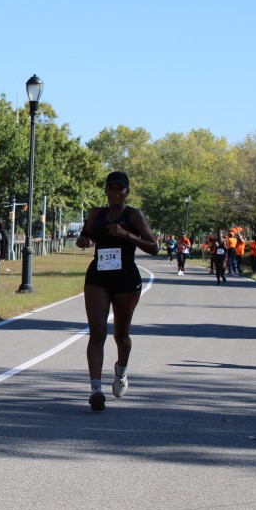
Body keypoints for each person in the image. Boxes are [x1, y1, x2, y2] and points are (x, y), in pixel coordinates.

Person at [75, 171, 158, 411]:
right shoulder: (96, 214)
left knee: (121, 336)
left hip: (126, 279)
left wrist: (126, 234)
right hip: (98, 276)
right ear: (106, 191)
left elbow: (153, 247)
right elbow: (86, 237)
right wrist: (84, 242)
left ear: (126, 192)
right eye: (110, 188)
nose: (114, 193)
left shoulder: (133, 215)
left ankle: (121, 372)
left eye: (119, 189)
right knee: (97, 332)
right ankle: (96, 389)